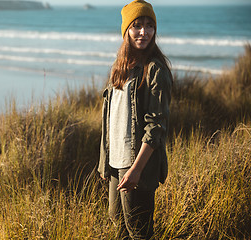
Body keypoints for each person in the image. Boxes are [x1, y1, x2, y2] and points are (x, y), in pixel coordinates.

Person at [98, 0, 173, 239]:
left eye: (150, 26)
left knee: (139, 232)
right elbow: (110, 120)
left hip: (136, 165)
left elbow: (156, 127)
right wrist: (105, 162)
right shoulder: (119, 69)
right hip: (115, 162)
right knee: (117, 227)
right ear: (126, 30)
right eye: (137, 25)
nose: (144, 32)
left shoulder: (155, 70)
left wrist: (136, 170)